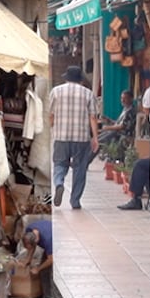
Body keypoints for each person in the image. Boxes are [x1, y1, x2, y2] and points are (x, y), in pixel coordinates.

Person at [48, 65, 99, 210]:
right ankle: (75, 201)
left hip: (61, 136)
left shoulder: (55, 92)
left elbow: (50, 115)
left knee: (59, 164)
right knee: (80, 168)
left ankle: (59, 183)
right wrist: (95, 137)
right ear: (80, 79)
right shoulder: (88, 94)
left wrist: (53, 128)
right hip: (81, 138)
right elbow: (93, 117)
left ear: (66, 78)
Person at [22, 219, 64, 298]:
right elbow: (31, 247)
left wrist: (38, 268)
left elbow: (51, 259)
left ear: (36, 241)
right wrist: (28, 259)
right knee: (44, 272)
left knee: (54, 274)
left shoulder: (48, 239)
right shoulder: (29, 230)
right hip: (51, 244)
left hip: (60, 243)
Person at [96, 89, 137, 160]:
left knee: (98, 141)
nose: (122, 100)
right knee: (97, 139)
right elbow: (117, 123)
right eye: (122, 98)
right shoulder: (125, 109)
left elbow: (122, 126)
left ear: (131, 99)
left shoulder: (131, 111)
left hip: (122, 134)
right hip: (116, 132)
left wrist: (107, 127)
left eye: (125, 98)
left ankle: (85, 159)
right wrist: (108, 120)